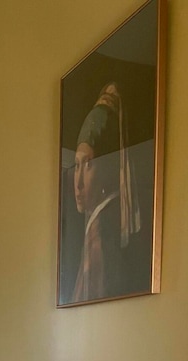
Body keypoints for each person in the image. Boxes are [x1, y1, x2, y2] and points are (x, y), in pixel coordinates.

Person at [72, 82, 140, 303]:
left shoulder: (101, 235)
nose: (78, 183)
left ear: (107, 170)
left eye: (89, 165)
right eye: (76, 166)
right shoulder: (95, 228)